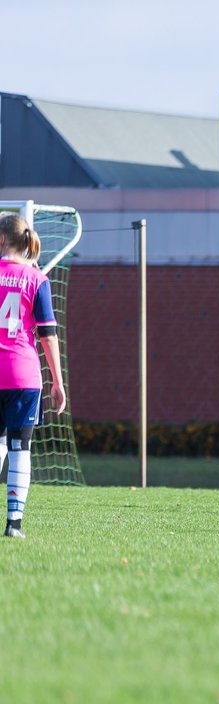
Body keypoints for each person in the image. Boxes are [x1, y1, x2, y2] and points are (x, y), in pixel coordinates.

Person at [0, 214, 66, 539]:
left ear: (1, 240)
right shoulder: (37, 279)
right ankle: (14, 524)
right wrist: (58, 381)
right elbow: (48, 335)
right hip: (24, 376)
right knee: (19, 448)